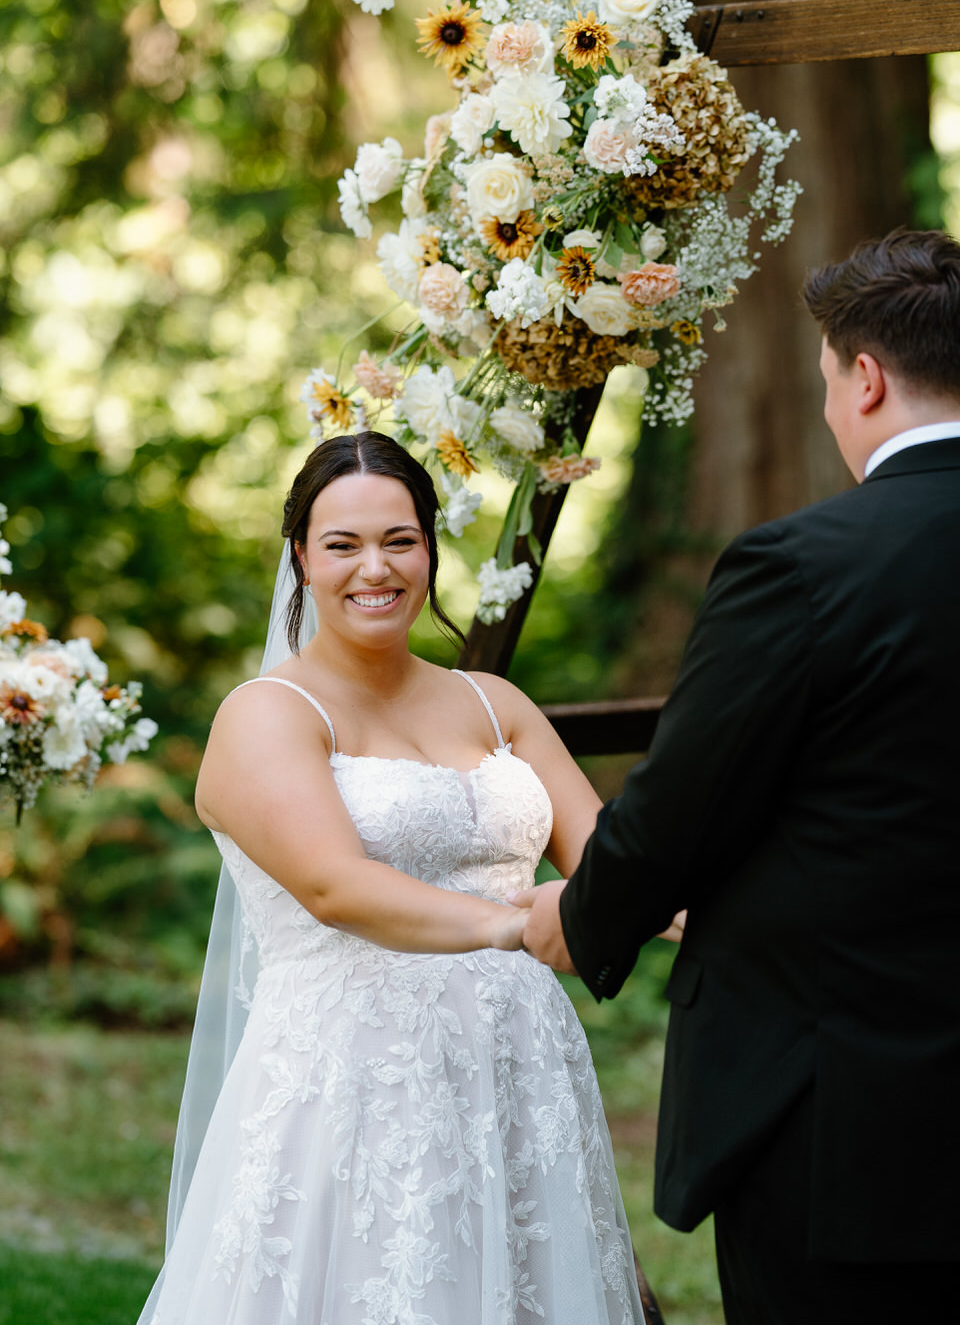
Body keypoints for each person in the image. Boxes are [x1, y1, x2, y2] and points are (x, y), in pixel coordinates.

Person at [514, 226, 960, 1322]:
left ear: (863, 378)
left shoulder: (802, 567)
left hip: (842, 1114)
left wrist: (586, 914)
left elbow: (684, 802)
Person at [137, 428, 650, 1325]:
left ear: (429, 549)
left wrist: (721, 902)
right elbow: (337, 887)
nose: (375, 568)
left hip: (520, 1069)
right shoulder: (265, 716)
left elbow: (616, 865)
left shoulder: (497, 704)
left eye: (399, 541)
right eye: (343, 545)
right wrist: (518, 923)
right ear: (300, 557)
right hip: (352, 1083)